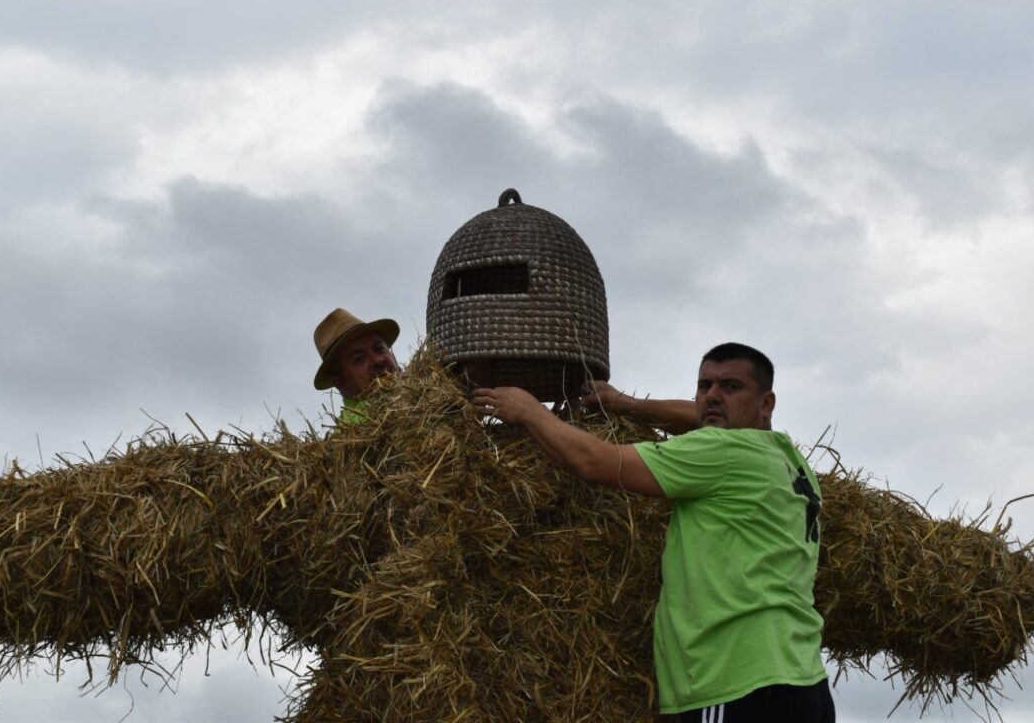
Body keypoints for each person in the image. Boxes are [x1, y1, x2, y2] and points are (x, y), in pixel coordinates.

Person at [472, 343, 833, 722]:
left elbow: (592, 461)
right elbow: (697, 416)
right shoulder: (787, 458)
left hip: (735, 679)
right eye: (704, 385)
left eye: (730, 387)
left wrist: (530, 412)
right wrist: (624, 404)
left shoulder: (719, 451)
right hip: (803, 681)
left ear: (767, 403)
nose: (712, 396)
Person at [312, 307, 401, 424]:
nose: (377, 360)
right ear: (341, 383)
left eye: (379, 348)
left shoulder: (425, 389)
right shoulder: (351, 434)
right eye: (359, 359)